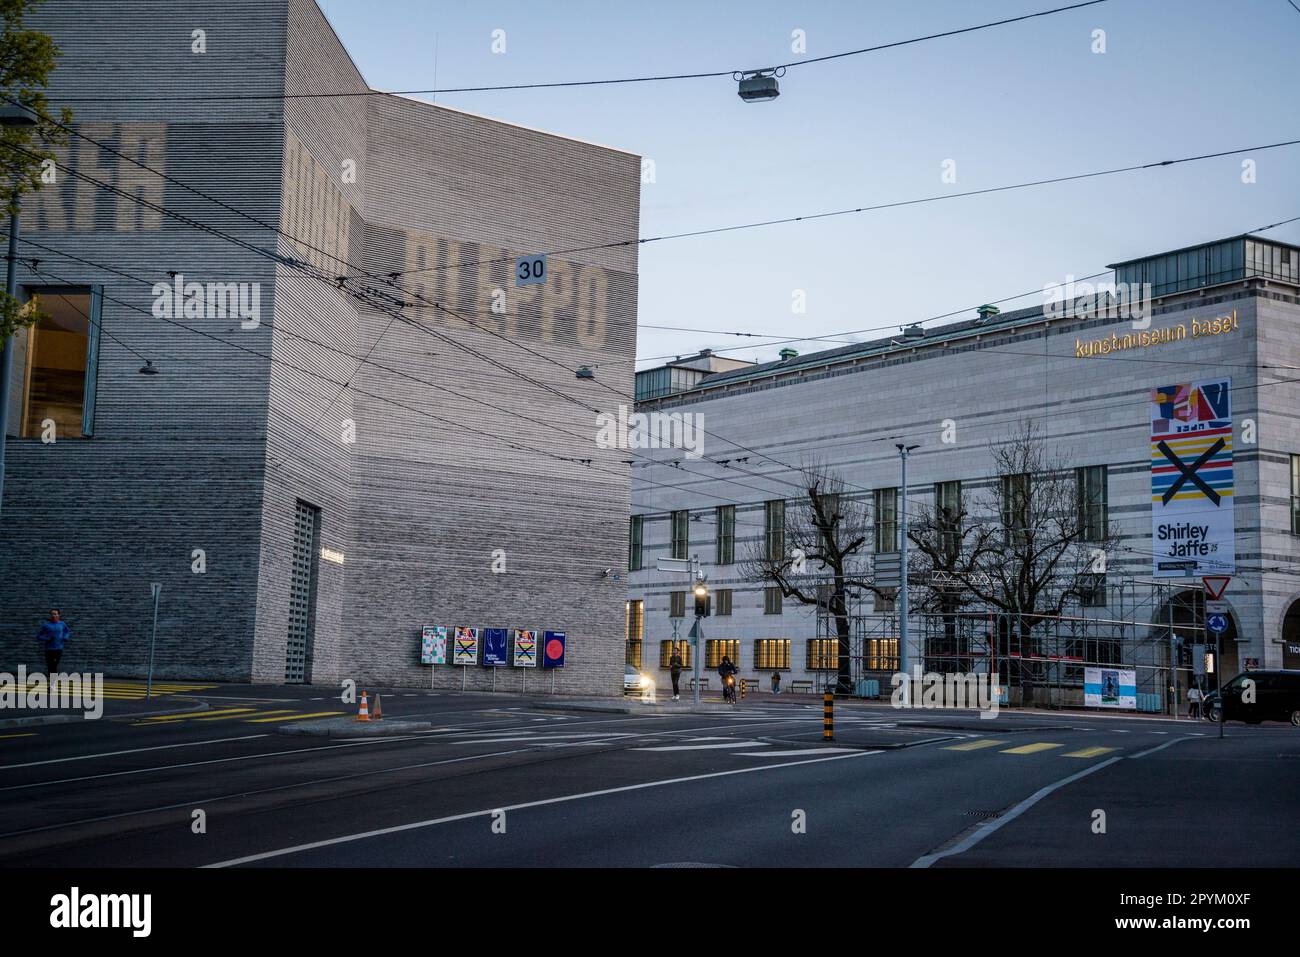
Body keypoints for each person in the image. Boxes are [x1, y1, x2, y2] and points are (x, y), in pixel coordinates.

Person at [38, 609, 71, 675]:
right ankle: (52, 683)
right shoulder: (46, 625)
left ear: (58, 615)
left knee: (54, 665)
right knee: (50, 665)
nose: (53, 615)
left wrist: (65, 637)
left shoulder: (62, 624)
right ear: (50, 615)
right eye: (52, 614)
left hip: (59, 648)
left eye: (55, 614)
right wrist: (47, 638)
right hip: (49, 649)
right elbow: (39, 636)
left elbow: (67, 631)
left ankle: (52, 682)